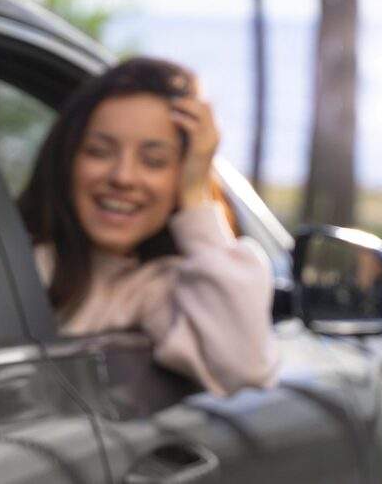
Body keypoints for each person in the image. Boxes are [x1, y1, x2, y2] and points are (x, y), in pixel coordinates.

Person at [18, 57, 278, 397]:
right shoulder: (11, 258)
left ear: (183, 176)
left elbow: (244, 369)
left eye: (154, 161)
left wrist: (197, 194)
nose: (123, 177)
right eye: (99, 151)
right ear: (67, 160)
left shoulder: (159, 289)